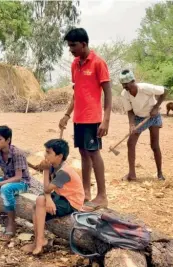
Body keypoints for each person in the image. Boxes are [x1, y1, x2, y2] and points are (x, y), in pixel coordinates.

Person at [58, 28, 112, 211]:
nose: (70, 49)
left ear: (84, 44)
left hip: (92, 117)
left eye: (73, 45)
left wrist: (106, 120)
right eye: (69, 46)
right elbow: (76, 93)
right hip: (79, 117)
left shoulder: (98, 63)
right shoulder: (75, 64)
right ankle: (86, 192)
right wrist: (67, 115)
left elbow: (108, 93)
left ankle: (102, 196)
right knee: (83, 153)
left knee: (94, 152)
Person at [22, 139, 84, 255]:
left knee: (40, 201)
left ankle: (39, 241)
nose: (45, 155)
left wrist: (45, 171)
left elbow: (46, 189)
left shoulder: (63, 172)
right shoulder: (53, 165)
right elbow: (48, 190)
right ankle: (39, 240)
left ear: (59, 156)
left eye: (48, 152)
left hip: (71, 202)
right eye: (45, 152)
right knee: (37, 205)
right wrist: (49, 199)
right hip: (61, 195)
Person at [119, 69, 167, 181]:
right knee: (130, 143)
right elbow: (130, 110)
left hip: (153, 116)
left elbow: (165, 90)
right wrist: (131, 125)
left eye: (126, 84)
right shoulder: (124, 94)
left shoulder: (145, 88)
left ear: (133, 81)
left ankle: (160, 173)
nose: (125, 86)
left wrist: (156, 107)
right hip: (139, 118)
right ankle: (132, 174)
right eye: (123, 84)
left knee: (154, 145)